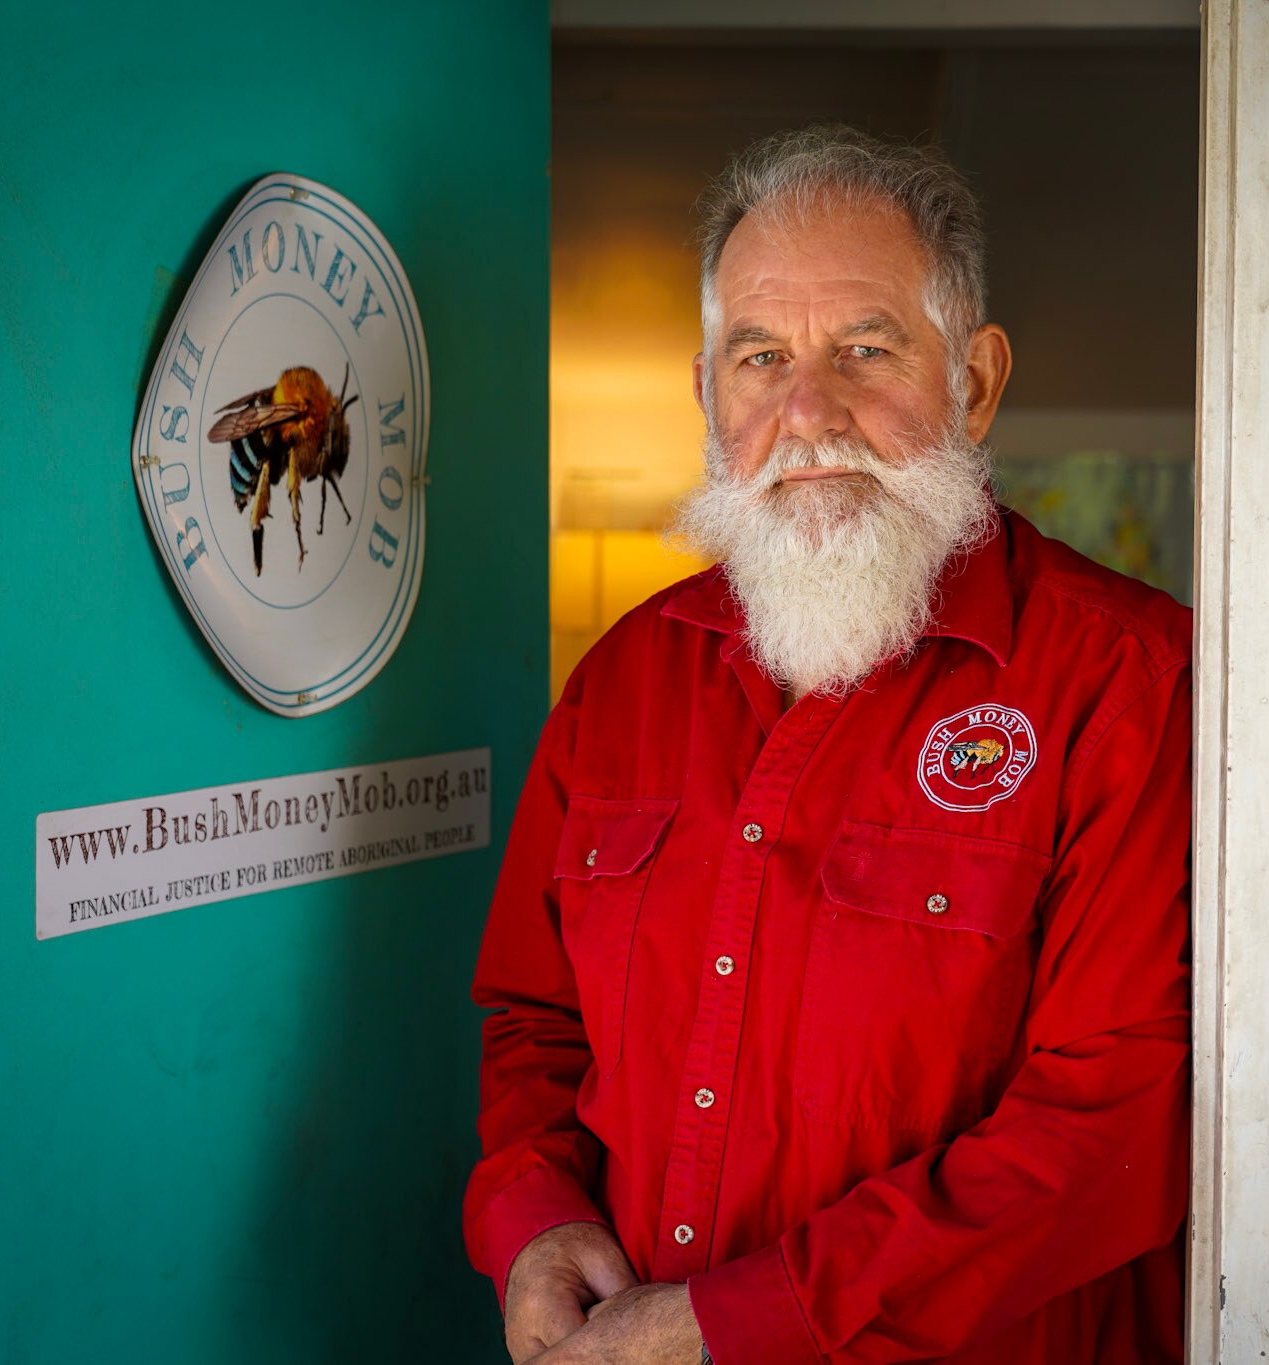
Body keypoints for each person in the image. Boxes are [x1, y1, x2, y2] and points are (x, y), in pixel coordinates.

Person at [465, 124, 1192, 1364]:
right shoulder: (621, 682)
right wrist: (534, 1224)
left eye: (865, 348)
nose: (808, 413)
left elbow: (1112, 1125)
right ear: (708, 392)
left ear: (973, 378)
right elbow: (534, 1021)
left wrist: (732, 1325)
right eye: (760, 356)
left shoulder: (1129, 683)